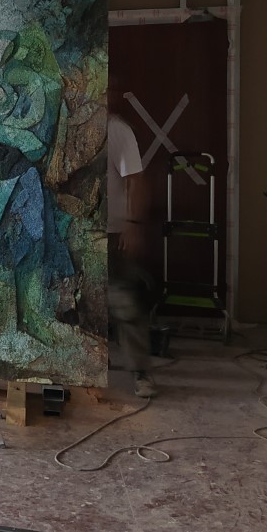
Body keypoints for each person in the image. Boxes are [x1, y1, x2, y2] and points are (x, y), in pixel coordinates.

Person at [107, 90, 158, 399]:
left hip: (113, 231)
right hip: (77, 231)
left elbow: (135, 179)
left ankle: (141, 371)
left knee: (124, 300)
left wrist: (132, 224)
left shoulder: (116, 129)